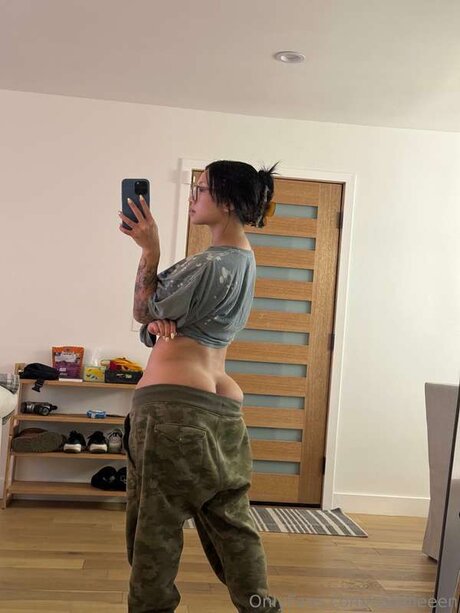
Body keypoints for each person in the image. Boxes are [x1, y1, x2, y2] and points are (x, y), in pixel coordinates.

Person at [119, 160, 282, 613]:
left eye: (202, 189)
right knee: (232, 524)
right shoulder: (245, 262)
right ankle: (259, 606)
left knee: (155, 526)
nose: (193, 197)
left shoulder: (207, 262)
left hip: (174, 408)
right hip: (223, 408)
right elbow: (162, 321)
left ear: (227, 201)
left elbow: (143, 309)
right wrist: (156, 325)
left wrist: (149, 249)